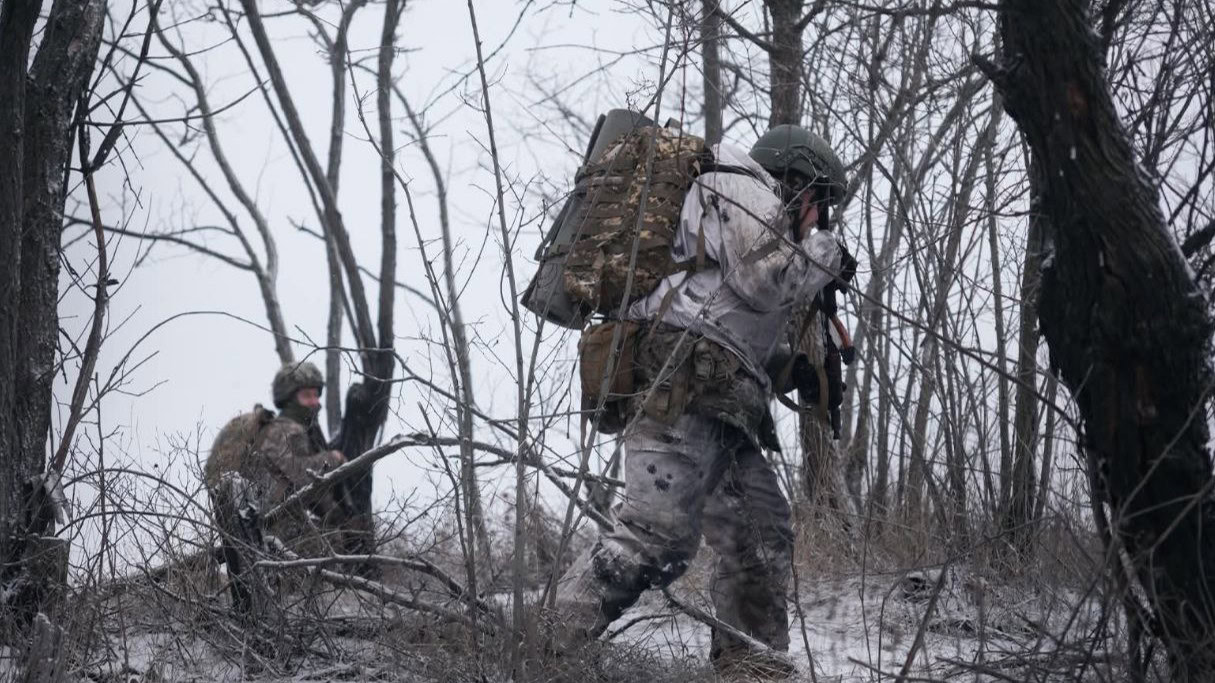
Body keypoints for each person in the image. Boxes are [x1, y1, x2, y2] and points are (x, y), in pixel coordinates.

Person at [552, 124, 849, 678]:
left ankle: (751, 665)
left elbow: (729, 324)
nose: (817, 222)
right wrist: (826, 253)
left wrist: (796, 371)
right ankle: (544, 643)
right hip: (679, 382)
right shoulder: (741, 184)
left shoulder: (747, 208)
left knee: (759, 531)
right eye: (819, 208)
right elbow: (765, 281)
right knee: (656, 533)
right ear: (799, 184)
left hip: (716, 397)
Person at [205, 361, 350, 610]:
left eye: (316, 395)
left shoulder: (267, 430)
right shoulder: (288, 429)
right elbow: (300, 474)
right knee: (329, 544)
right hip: (271, 522)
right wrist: (333, 459)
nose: (315, 402)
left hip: (253, 520)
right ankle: (311, 612)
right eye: (307, 395)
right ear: (289, 397)